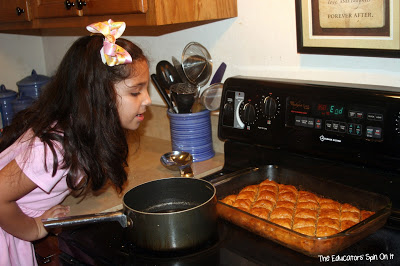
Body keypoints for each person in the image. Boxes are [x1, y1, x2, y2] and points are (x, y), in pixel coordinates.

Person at [0, 19, 151, 266]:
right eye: (136, 91)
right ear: (98, 97)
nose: (146, 100)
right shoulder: (57, 148)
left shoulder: (80, 131)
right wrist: (33, 229)